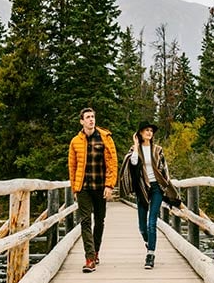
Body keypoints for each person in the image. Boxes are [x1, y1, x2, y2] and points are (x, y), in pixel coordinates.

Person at [120, 121, 181, 269]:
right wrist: (135, 145)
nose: (149, 133)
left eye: (151, 131)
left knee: (151, 222)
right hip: (142, 188)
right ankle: (149, 243)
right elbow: (133, 163)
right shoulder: (135, 149)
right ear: (140, 133)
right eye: (146, 130)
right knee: (142, 227)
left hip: (156, 188)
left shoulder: (158, 150)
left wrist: (166, 187)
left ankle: (150, 255)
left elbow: (164, 170)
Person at [68, 107, 118, 273]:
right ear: (82, 121)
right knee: (85, 221)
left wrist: (110, 185)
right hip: (84, 187)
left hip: (100, 186)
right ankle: (89, 258)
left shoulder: (105, 138)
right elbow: (72, 166)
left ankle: (96, 251)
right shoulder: (75, 141)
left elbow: (112, 164)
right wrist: (74, 187)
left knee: (100, 220)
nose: (91, 120)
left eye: (93, 117)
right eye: (87, 117)